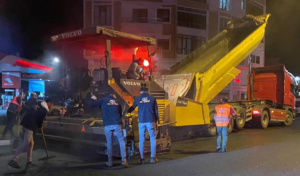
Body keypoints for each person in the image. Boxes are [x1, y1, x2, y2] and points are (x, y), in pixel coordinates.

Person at [7, 99, 53, 169]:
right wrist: (40, 126)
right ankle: (13, 159)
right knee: (26, 142)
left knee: (31, 143)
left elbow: (34, 115)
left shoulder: (39, 105)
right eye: (51, 104)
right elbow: (39, 119)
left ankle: (29, 161)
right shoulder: (44, 110)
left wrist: (39, 125)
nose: (51, 106)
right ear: (49, 103)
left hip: (25, 124)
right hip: (30, 126)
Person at [89, 93, 129, 167]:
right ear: (114, 96)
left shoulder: (103, 100)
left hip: (108, 124)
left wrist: (92, 98)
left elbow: (91, 105)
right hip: (117, 124)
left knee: (109, 143)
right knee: (121, 141)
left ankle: (110, 162)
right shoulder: (117, 101)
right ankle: (124, 161)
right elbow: (120, 114)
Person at [127, 87, 159, 164]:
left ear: (140, 92)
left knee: (141, 140)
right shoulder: (152, 98)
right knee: (152, 139)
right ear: (147, 91)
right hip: (151, 121)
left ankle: (142, 159)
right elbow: (156, 111)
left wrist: (126, 112)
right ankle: (152, 158)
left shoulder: (137, 99)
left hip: (141, 122)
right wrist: (157, 121)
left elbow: (131, 108)